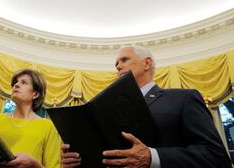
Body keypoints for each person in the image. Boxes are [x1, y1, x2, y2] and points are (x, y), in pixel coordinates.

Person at [61, 46, 232, 168]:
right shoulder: (105, 112)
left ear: (147, 63)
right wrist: (78, 160)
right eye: (116, 64)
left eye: (124, 59)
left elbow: (215, 156)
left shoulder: (183, 98)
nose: (118, 66)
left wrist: (153, 158)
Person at [0, 69, 61, 168]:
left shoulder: (48, 126)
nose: (16, 85)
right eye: (15, 82)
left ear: (35, 94)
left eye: (24, 82)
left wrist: (35, 164)